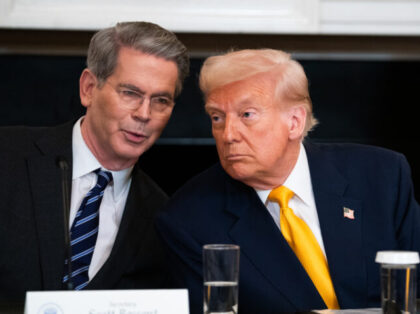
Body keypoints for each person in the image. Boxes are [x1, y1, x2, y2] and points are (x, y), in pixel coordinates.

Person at [156, 49, 420, 313]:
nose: (227, 135)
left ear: (294, 122)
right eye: (217, 117)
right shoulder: (188, 220)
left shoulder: (381, 176)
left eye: (247, 115)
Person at [0, 21, 189, 302]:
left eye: (160, 100)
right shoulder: (7, 155)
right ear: (88, 88)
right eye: (130, 93)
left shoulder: (165, 218)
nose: (144, 114)